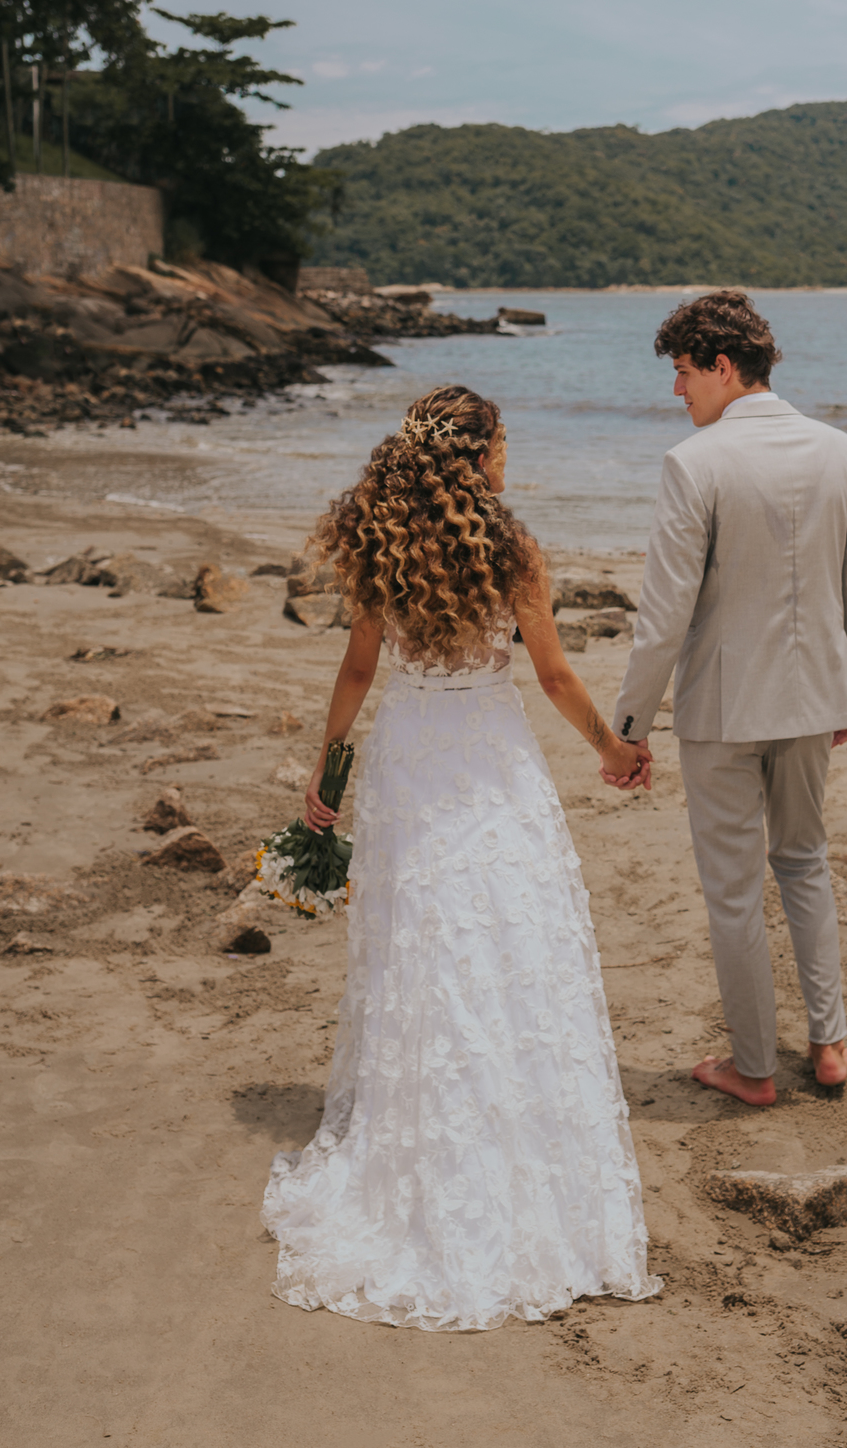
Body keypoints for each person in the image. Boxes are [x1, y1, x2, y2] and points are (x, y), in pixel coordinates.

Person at [262, 384, 660, 1329]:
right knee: (511, 934)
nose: (509, 458)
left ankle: (424, 1128)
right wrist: (612, 749)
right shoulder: (512, 549)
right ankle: (517, 1128)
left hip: (410, 760)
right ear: (479, 456)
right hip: (489, 759)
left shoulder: (382, 541)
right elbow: (553, 674)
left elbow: (359, 668)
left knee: (422, 941)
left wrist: (327, 764)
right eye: (504, 444)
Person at [609, 291, 847, 1105]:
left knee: (733, 891)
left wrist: (629, 728)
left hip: (724, 711)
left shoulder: (694, 463)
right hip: (816, 700)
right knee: (804, 862)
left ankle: (754, 1070)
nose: (677, 390)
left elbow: (663, 617)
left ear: (723, 367)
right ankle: (829, 1044)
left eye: (683, 372)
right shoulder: (842, 451)